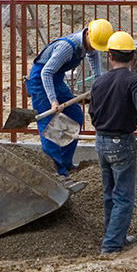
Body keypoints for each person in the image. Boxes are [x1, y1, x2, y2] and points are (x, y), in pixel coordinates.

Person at [88, 31, 137, 254]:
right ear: (133, 56)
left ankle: (116, 236)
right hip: (122, 142)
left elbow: (93, 113)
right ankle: (111, 246)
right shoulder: (134, 81)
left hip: (101, 142)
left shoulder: (99, 82)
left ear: (109, 55)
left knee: (109, 193)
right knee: (123, 197)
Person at [26, 18, 113, 186]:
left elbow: (95, 62)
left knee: (75, 116)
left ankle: (65, 163)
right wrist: (53, 101)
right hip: (41, 80)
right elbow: (46, 73)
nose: (94, 48)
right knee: (49, 124)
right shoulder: (67, 47)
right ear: (87, 33)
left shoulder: (90, 44)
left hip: (56, 80)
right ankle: (56, 173)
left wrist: (100, 85)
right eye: (93, 44)